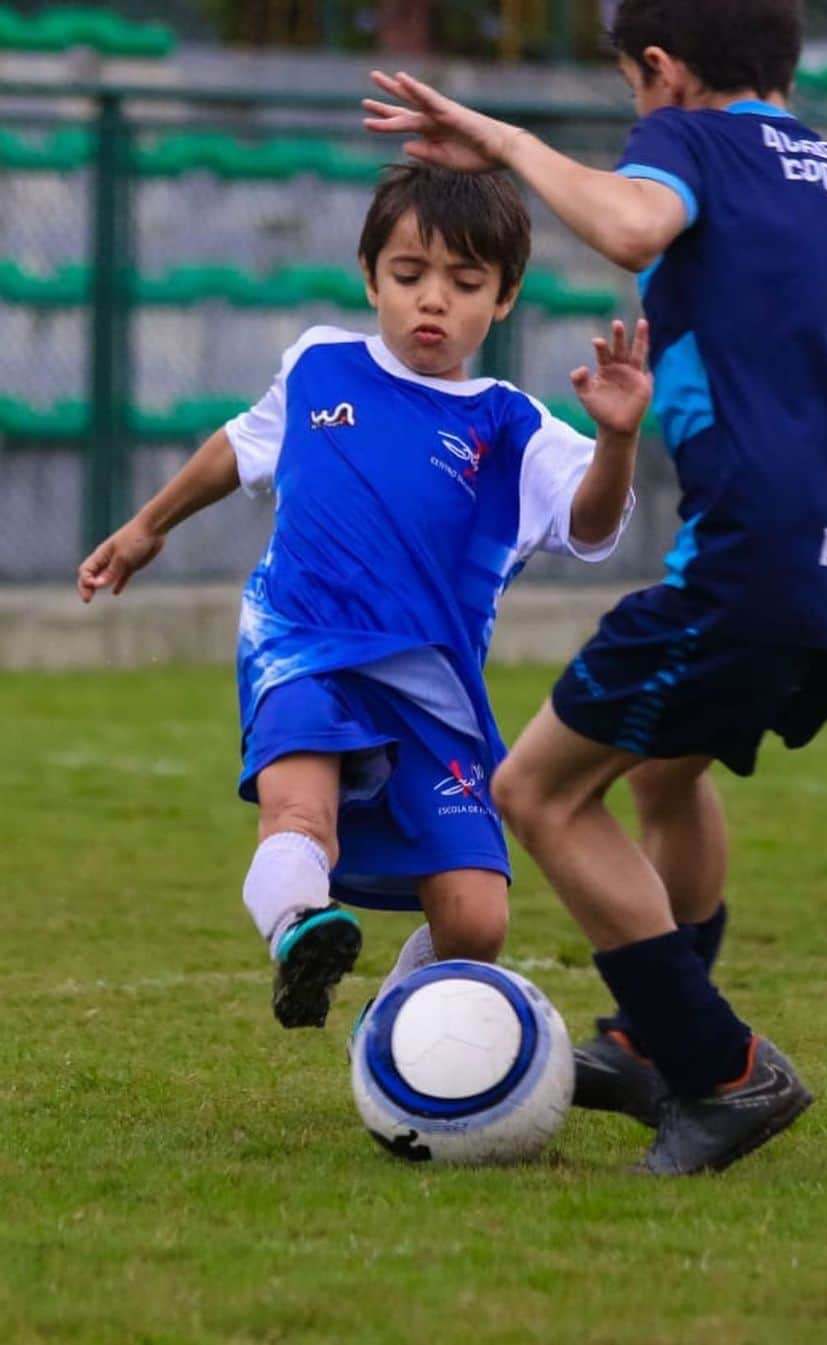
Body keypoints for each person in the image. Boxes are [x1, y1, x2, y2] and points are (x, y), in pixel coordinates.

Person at [362, 0, 827, 1175]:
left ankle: (720, 1068)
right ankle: (648, 1039)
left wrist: (504, 140)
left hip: (751, 555)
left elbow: (628, 223)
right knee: (664, 771)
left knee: (539, 792)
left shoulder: (692, 139)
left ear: (660, 72)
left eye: (626, 87)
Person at [77, 164, 650, 1031]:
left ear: (504, 298)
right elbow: (240, 444)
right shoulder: (319, 365)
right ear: (370, 274)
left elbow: (591, 521)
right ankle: (302, 929)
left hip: (432, 691)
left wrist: (616, 439)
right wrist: (148, 525)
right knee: (299, 811)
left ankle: (395, 1033)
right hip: (300, 646)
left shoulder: (509, 423)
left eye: (465, 283)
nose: (433, 302)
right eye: (410, 275)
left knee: (476, 920)